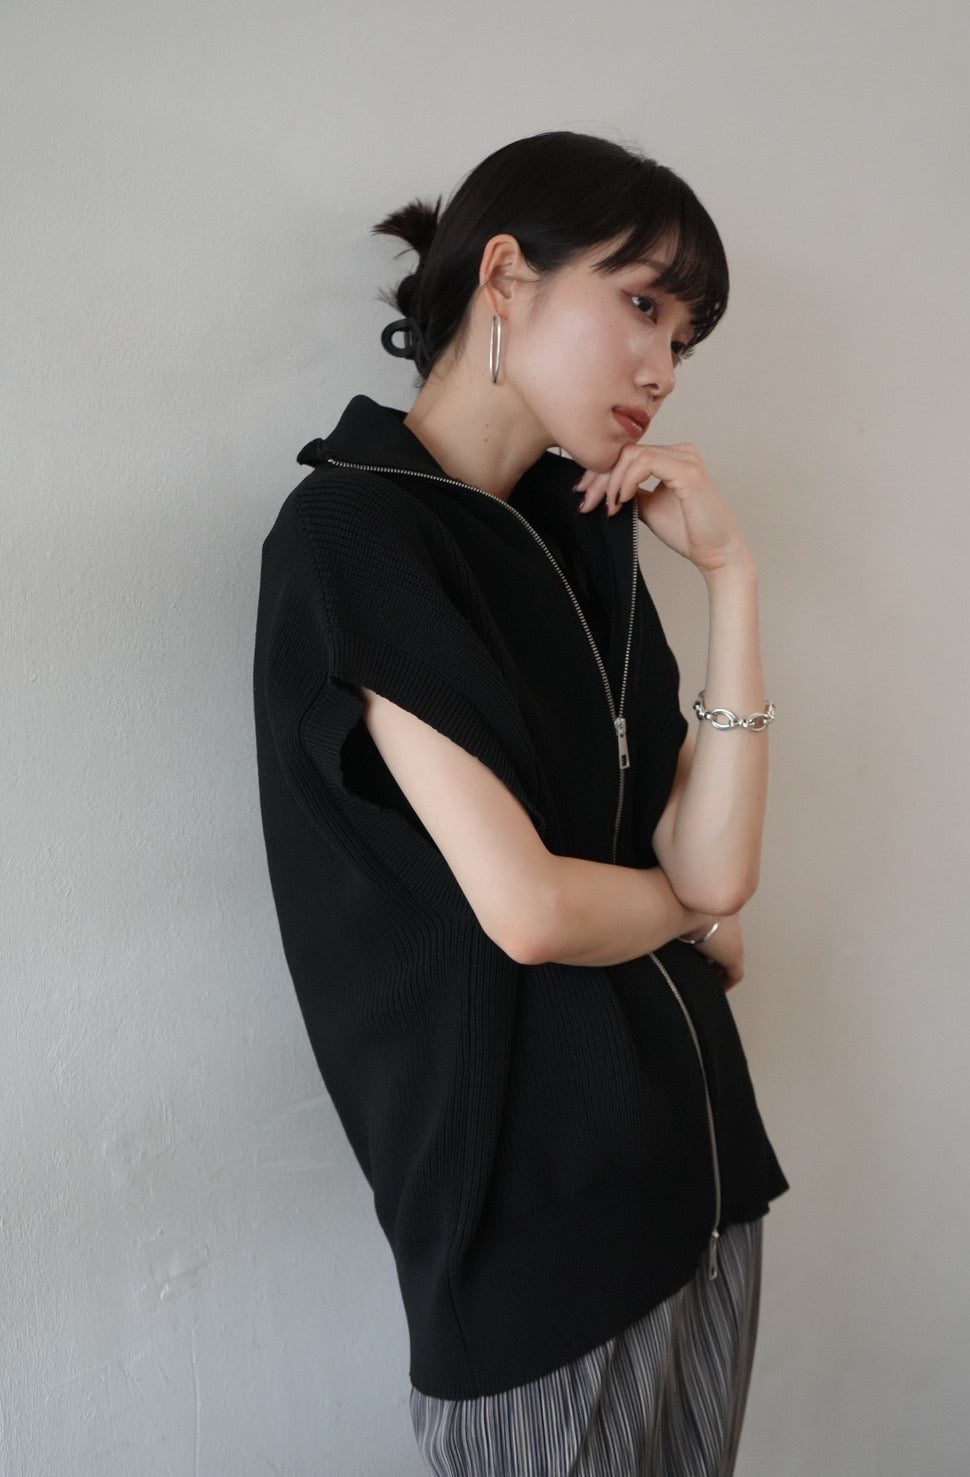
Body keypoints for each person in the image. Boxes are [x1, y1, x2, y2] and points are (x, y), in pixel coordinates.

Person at [252, 129, 788, 1476]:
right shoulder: (356, 533)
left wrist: (730, 578)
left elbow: (714, 857)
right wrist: (687, 913)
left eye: (686, 338)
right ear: (505, 274)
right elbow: (532, 909)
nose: (663, 369)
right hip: (535, 1235)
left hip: (703, 1179)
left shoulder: (590, 530)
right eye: (643, 304)